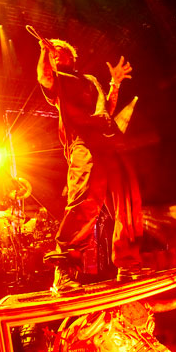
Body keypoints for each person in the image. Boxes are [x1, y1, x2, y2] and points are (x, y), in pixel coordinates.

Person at [36, 38, 143, 290]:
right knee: (85, 200)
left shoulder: (91, 80)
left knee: (127, 202)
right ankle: (65, 271)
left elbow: (106, 110)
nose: (55, 54)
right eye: (52, 52)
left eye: (59, 51)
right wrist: (43, 51)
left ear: (72, 57)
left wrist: (114, 84)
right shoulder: (60, 80)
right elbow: (44, 77)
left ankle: (128, 264)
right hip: (83, 143)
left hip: (109, 142)